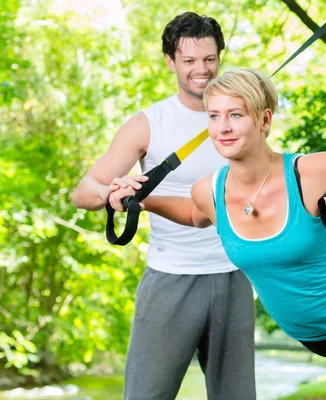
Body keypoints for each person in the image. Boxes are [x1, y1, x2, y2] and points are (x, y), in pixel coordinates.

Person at [110, 67, 326, 399]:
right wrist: (143, 200)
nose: (222, 127)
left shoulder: (309, 173)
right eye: (214, 115)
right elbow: (195, 215)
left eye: (235, 114)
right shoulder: (208, 191)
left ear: (264, 120)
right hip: (307, 334)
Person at [72, 14, 256, 400]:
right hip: (171, 278)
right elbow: (84, 191)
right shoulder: (148, 124)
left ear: (220, 57)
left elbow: (276, 185)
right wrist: (114, 194)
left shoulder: (242, 118)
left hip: (235, 275)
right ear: (171, 61)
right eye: (189, 61)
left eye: (209, 59)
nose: (201, 70)